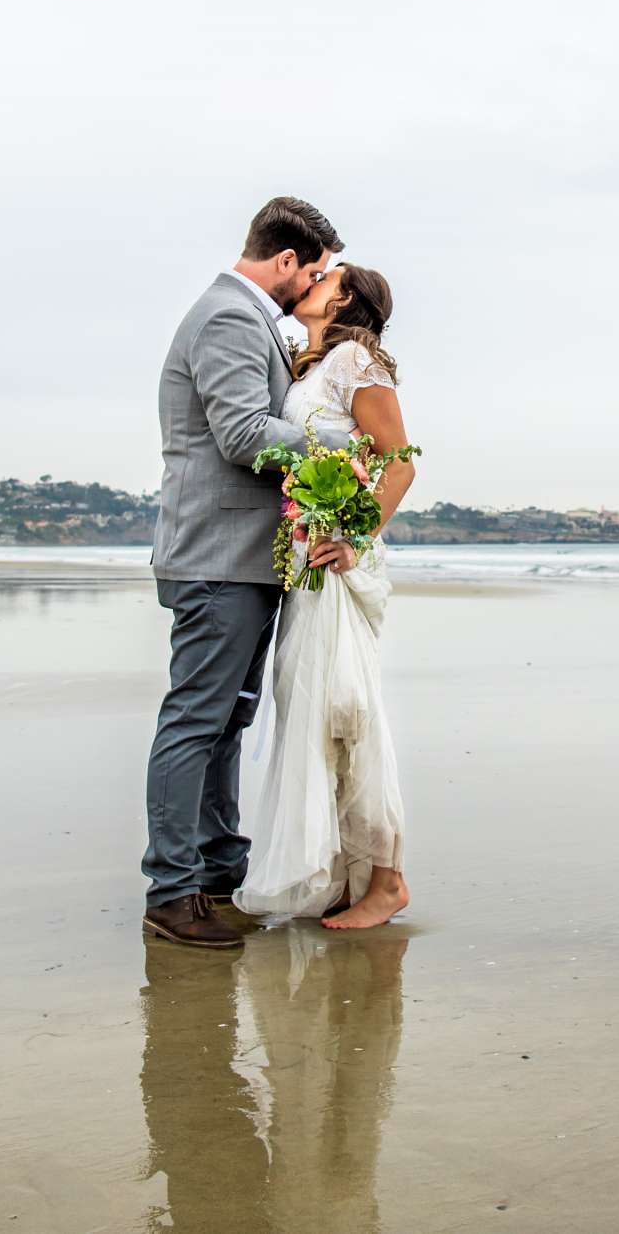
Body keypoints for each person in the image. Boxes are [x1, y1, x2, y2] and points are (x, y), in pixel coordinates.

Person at [142, 196, 343, 949]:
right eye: (314, 271)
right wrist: (333, 452)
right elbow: (241, 434)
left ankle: (218, 868)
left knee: (227, 720)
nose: (313, 286)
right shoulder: (228, 316)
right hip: (217, 559)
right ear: (286, 261)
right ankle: (171, 890)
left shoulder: (244, 317)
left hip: (240, 559)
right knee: (198, 719)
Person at [234, 261, 416, 931]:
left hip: (337, 564)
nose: (311, 279)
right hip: (308, 557)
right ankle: (347, 874)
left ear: (347, 301)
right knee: (313, 711)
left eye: (327, 277)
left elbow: (400, 461)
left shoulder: (352, 361)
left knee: (348, 708)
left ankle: (388, 879)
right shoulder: (310, 365)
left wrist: (356, 537)